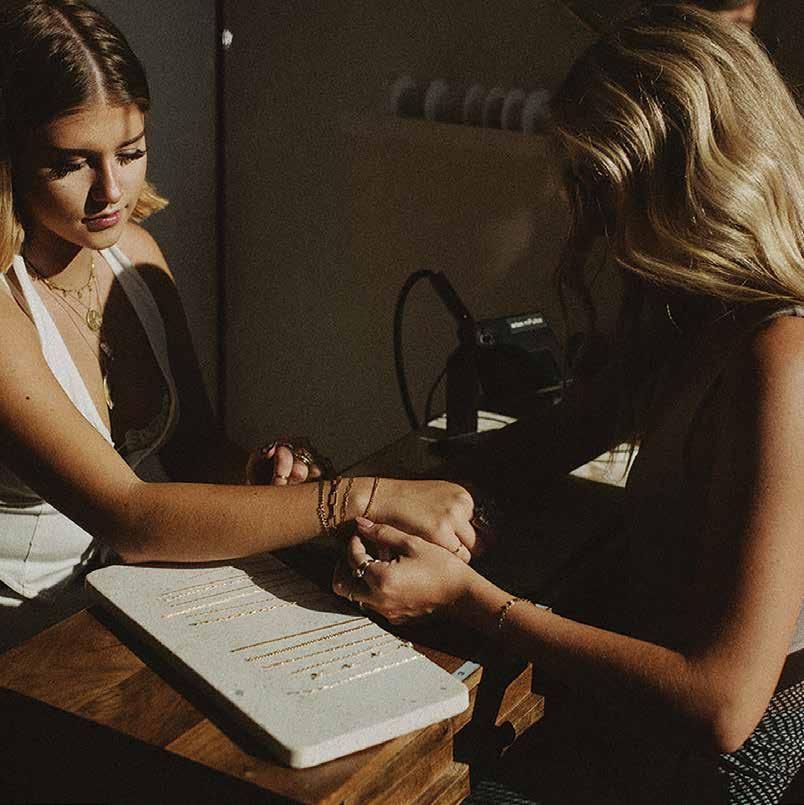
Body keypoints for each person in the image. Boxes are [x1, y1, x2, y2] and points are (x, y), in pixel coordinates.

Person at [333, 6, 804, 803]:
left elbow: (722, 706)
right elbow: (551, 441)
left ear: (686, 182)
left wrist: (471, 599)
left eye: (603, 191)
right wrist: (379, 501)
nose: (593, 226)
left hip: (715, 774)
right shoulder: (694, 318)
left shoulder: (781, 356)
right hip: (642, 733)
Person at [0, 0, 483, 653]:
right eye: (71, 163)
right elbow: (130, 518)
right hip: (24, 641)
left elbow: (195, 449)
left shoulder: (135, 258)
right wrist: (352, 498)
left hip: (122, 599)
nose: (111, 189)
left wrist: (263, 473)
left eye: (131, 152)